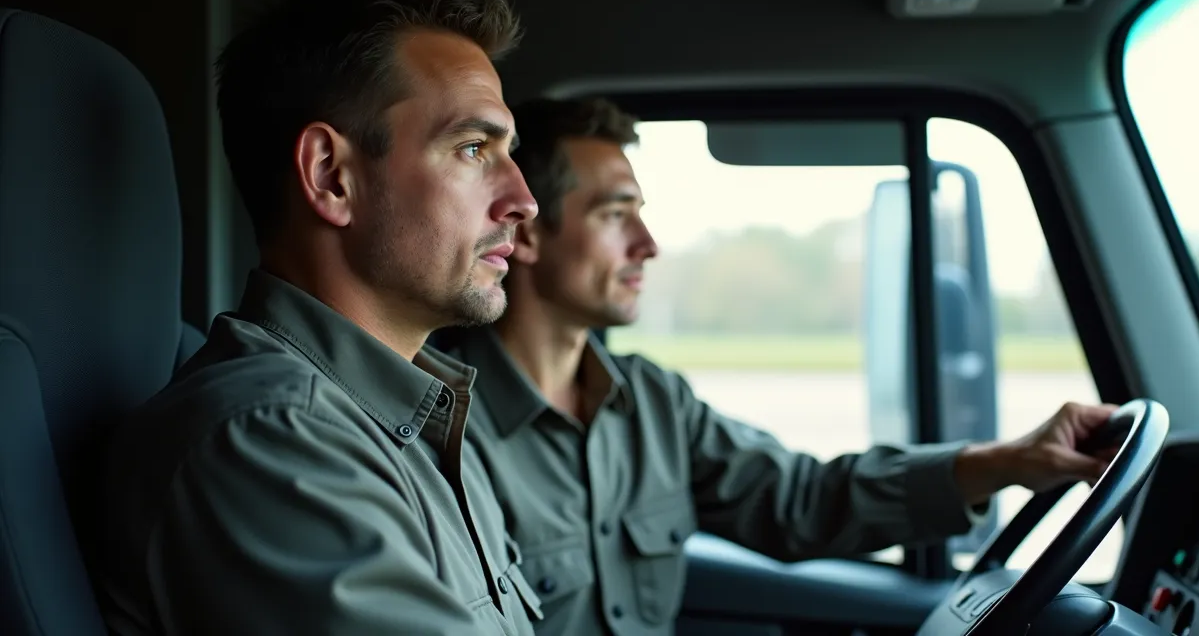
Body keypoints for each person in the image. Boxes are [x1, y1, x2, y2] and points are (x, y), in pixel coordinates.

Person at [437, 96, 1121, 636]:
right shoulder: (438, 424)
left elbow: (802, 500)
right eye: (616, 215)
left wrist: (1009, 461)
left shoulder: (652, 403)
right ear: (525, 234)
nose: (648, 244)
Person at [97, 0, 543, 634]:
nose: (523, 201)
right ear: (331, 176)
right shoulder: (268, 438)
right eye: (474, 148)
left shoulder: (419, 423)